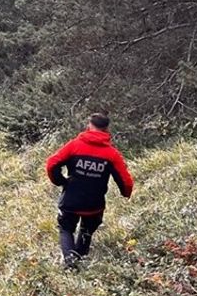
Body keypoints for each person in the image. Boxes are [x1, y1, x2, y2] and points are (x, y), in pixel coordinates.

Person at [44, 112, 134, 267]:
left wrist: (60, 181)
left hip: (70, 200)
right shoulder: (111, 154)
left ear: (89, 126)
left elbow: (52, 164)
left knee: (65, 229)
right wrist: (126, 193)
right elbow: (126, 182)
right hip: (94, 203)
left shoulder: (74, 146)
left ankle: (71, 263)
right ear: (106, 129)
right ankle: (77, 260)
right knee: (87, 231)